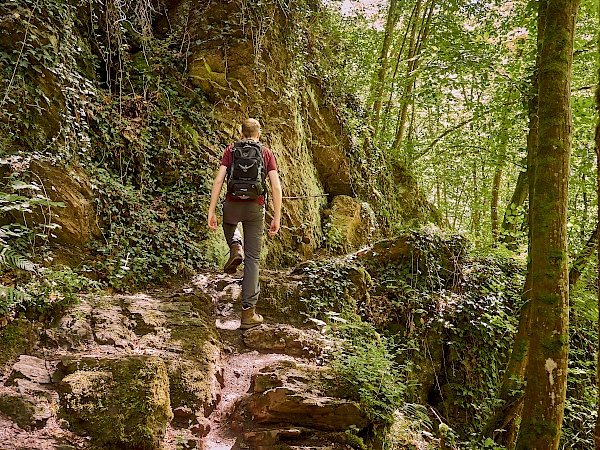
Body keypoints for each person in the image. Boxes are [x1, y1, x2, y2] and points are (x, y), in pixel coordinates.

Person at [207, 118, 282, 330]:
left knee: (229, 223)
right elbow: (276, 187)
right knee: (253, 259)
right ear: (259, 135)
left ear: (241, 134)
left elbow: (219, 180)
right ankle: (248, 313)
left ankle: (235, 244)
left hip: (232, 204)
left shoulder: (230, 151)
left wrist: (212, 210)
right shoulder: (266, 153)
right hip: (255, 209)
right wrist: (277, 216)